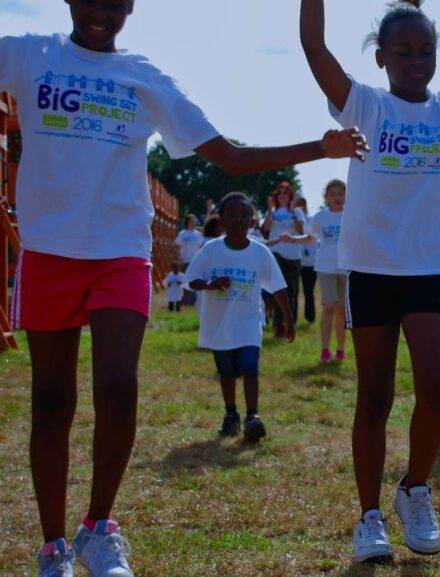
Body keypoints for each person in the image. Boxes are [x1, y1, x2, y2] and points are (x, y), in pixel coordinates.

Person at [0, 1, 368, 574]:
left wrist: (321, 149)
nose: (101, 11)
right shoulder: (29, 54)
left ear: (129, 8)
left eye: (114, 2)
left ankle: (99, 527)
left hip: (118, 252)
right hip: (50, 252)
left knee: (119, 384)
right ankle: (53, 547)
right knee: (52, 399)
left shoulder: (146, 78)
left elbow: (228, 156)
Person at [300, 0, 440, 563]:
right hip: (372, 270)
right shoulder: (365, 106)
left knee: (438, 390)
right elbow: (315, 50)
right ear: (382, 58)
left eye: (426, 51)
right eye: (403, 51)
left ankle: (414, 490)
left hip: (427, 271)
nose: (416, 60)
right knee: (373, 396)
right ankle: (369, 516)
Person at [186, 193, 294, 441]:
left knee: (249, 366)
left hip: (248, 322)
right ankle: (231, 414)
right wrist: (211, 284)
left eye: (243, 215)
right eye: (231, 215)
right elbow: (191, 280)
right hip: (219, 324)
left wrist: (287, 318)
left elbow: (277, 286)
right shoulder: (211, 249)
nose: (237, 219)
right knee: (226, 371)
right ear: (220, 221)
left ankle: (252, 416)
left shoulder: (260, 252)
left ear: (252, 222)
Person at [282, 179, 348, 364]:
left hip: (345, 268)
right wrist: (293, 239)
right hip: (326, 267)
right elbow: (310, 238)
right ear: (326, 197)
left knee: (341, 311)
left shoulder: (351, 216)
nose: (337, 197)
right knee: (329, 307)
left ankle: (341, 349)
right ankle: (325, 350)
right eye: (333, 194)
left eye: (341, 194)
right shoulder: (321, 217)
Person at [261, 181, 305, 337]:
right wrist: (270, 211)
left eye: (285, 192)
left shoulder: (297, 212)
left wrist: (293, 213)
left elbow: (300, 231)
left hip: (293, 255)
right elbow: (265, 229)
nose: (282, 195)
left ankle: (289, 323)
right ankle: (278, 324)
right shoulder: (272, 211)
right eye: (279, 193)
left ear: (290, 196)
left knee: (291, 291)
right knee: (278, 288)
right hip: (275, 253)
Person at [294, 196, 319, 324]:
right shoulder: (291, 221)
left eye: (301, 204)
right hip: (295, 260)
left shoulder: (311, 220)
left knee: (308, 291)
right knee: (294, 291)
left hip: (310, 263)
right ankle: (292, 318)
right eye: (296, 204)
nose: (298, 207)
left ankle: (310, 317)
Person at [175, 214, 204, 306]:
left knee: (193, 279)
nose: (192, 223)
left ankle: (192, 300)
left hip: (194, 261)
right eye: (190, 221)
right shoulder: (183, 233)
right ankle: (184, 299)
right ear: (187, 222)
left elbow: (201, 247)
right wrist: (179, 258)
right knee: (185, 280)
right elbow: (177, 246)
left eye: (194, 221)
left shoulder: (198, 234)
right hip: (185, 261)